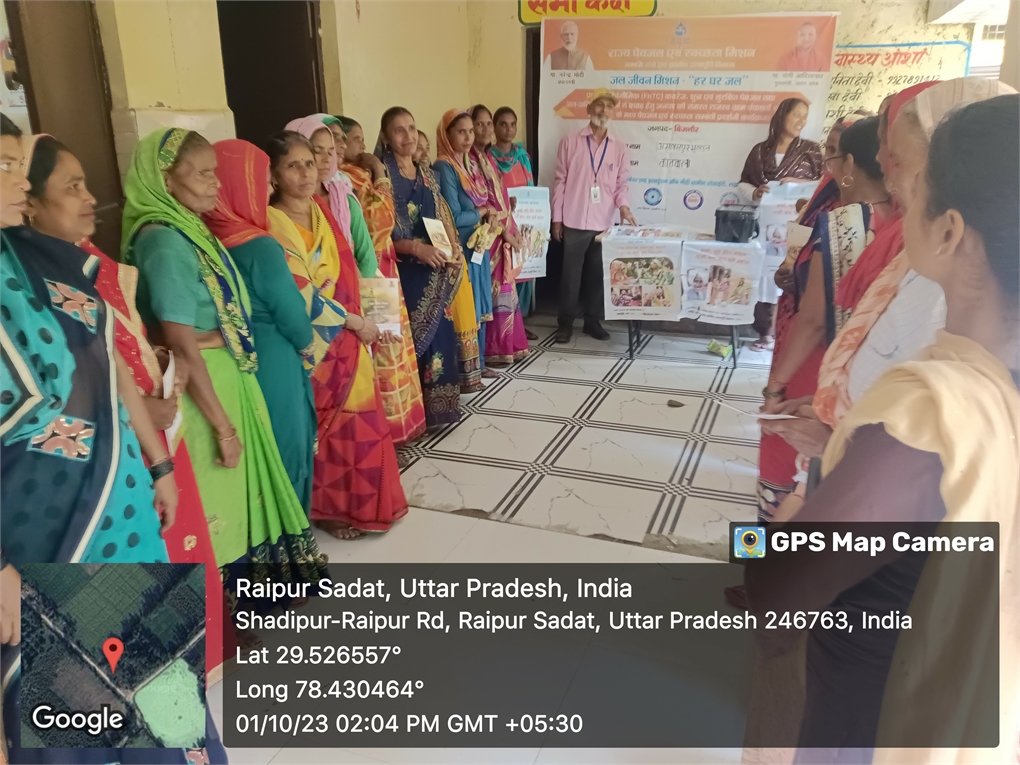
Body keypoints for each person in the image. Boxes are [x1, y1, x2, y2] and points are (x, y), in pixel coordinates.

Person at [746, 93, 1019, 765]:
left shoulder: (931, 409)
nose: (899, 191)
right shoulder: (995, 385)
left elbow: (777, 597)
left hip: (875, 716)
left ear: (950, 232)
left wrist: (796, 511)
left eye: (919, 184)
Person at [0, 114, 225, 764]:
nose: (18, 182)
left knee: (161, 694)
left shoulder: (41, 262)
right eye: (6, 167)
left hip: (122, 515)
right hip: (42, 541)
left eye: (19, 164)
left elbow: (109, 366)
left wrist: (158, 464)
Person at [122, 127, 328, 625]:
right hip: (202, 392)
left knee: (243, 498)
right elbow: (180, 340)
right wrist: (223, 426)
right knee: (222, 508)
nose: (215, 183)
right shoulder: (163, 241)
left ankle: (256, 601)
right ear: (165, 180)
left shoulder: (190, 230)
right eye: (201, 174)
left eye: (216, 172)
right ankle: (226, 618)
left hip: (227, 377)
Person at [265, 130, 408, 539]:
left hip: (350, 336)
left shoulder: (322, 210)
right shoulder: (271, 224)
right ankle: (328, 509)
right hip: (313, 345)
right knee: (325, 429)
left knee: (361, 424)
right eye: (293, 166)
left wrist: (374, 319)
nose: (305, 173)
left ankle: (366, 504)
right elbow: (298, 292)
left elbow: (351, 268)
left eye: (309, 163)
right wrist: (354, 323)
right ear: (274, 175)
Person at [756, 117, 893, 521]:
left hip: (815, 365)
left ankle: (756, 555)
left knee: (780, 471)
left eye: (833, 156)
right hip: (866, 375)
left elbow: (814, 319)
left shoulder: (842, 226)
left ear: (849, 165)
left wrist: (775, 388)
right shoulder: (901, 223)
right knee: (827, 480)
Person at [202, 138, 317, 515]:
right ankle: (292, 532)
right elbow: (291, 312)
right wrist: (307, 348)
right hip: (274, 356)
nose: (268, 191)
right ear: (241, 185)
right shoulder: (259, 246)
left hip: (230, 360)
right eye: (263, 182)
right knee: (287, 444)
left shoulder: (207, 236)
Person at [335, 116, 427, 446]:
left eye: (361, 139)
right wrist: (379, 172)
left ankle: (403, 421)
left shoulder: (353, 176)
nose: (360, 145)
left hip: (384, 268)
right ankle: (387, 428)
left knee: (394, 344)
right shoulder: (348, 179)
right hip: (370, 273)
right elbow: (380, 222)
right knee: (383, 348)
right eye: (353, 139)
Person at [375, 106, 470, 421]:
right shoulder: (381, 177)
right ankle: (414, 414)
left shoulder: (427, 174)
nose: (408, 136)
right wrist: (415, 248)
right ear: (386, 137)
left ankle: (442, 409)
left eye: (412, 128)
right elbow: (376, 235)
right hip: (400, 271)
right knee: (409, 344)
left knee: (441, 336)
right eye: (399, 130)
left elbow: (436, 220)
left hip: (434, 269)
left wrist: (450, 248)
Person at [738, 97, 823, 351]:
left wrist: (797, 183)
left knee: (792, 275)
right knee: (765, 276)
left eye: (805, 117)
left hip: (798, 229)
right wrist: (755, 192)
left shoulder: (811, 151)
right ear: (782, 115)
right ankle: (766, 333)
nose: (801, 121)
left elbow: (824, 185)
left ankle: (787, 335)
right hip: (765, 230)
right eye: (796, 114)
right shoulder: (760, 151)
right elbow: (743, 184)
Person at [551, 88, 635, 344]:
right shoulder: (570, 141)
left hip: (603, 223)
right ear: (589, 109)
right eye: (599, 105)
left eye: (609, 106)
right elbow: (560, 181)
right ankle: (565, 323)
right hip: (574, 219)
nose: (604, 110)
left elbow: (621, 185)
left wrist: (624, 207)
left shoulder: (619, 148)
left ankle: (592, 321)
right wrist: (557, 218)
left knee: (597, 276)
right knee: (570, 276)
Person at [434, 110, 497, 378]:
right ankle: (465, 369)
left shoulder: (470, 165)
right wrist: (483, 212)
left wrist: (489, 214)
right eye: (461, 131)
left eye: (471, 131)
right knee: (466, 307)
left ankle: (479, 364)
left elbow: (483, 201)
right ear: (446, 134)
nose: (468, 137)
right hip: (461, 246)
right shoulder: (444, 167)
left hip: (478, 245)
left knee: (480, 304)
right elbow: (454, 215)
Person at [285, 115, 378, 279]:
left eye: (330, 151)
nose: (327, 159)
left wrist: (352, 288)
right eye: (317, 151)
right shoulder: (283, 206)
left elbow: (368, 259)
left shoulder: (343, 199)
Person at [489, 105, 539, 337]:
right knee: (504, 273)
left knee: (523, 270)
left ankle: (520, 323)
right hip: (501, 223)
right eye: (503, 124)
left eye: (512, 124)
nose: (508, 129)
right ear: (494, 127)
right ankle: (502, 327)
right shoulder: (488, 158)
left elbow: (531, 187)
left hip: (525, 220)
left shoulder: (522, 157)